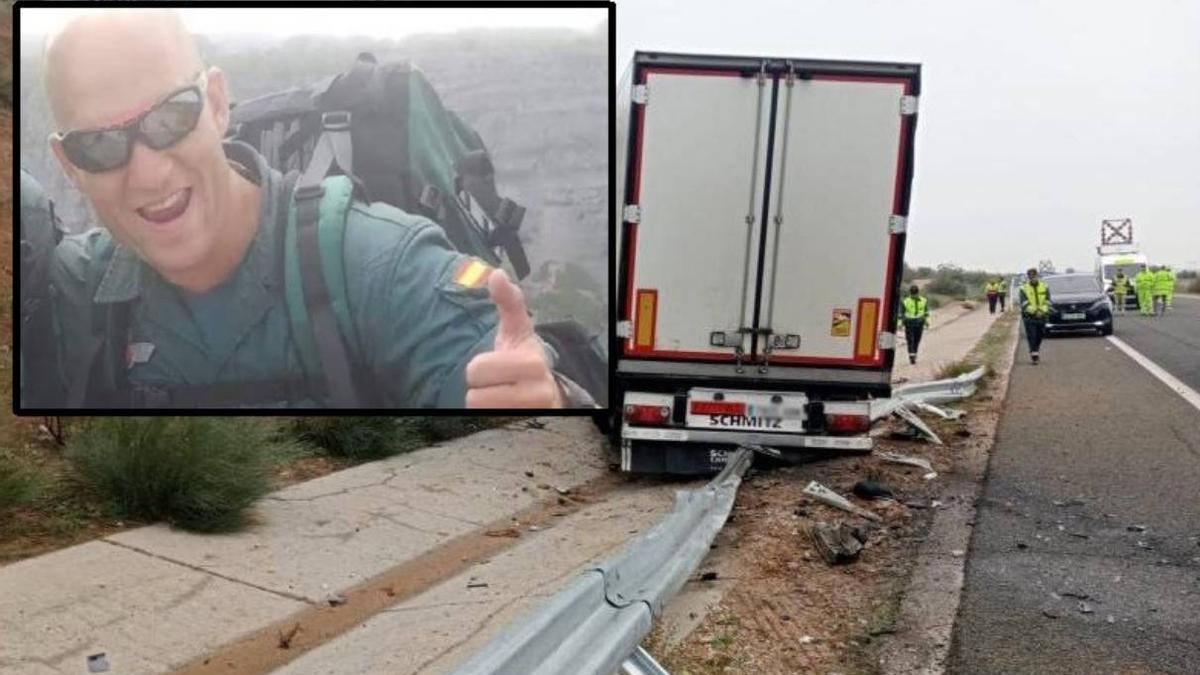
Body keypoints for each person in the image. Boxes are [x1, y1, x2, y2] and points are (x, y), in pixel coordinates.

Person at [41, 9, 587, 409]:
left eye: (169, 118)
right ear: (69, 165)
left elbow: (487, 382)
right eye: (100, 146)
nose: (147, 171)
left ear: (215, 104)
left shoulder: (379, 265)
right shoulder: (69, 294)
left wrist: (545, 399)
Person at [1019, 267, 1050, 364]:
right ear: (1028, 277)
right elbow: (1024, 303)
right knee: (1031, 335)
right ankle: (1034, 354)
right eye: (1030, 277)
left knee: (1040, 335)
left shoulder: (1045, 286)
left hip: (1042, 315)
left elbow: (1048, 301)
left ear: (1037, 276)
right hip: (1029, 316)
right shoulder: (1023, 288)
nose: (1033, 278)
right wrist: (1035, 311)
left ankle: (1035, 349)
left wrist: (1042, 311)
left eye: (1034, 276)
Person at [898, 285, 930, 365]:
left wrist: (926, 322)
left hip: (919, 323)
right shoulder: (905, 301)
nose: (914, 295)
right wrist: (900, 324)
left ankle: (914, 354)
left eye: (915, 293)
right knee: (910, 340)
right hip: (909, 323)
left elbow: (926, 312)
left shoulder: (924, 300)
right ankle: (912, 357)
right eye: (913, 293)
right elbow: (901, 314)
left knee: (916, 340)